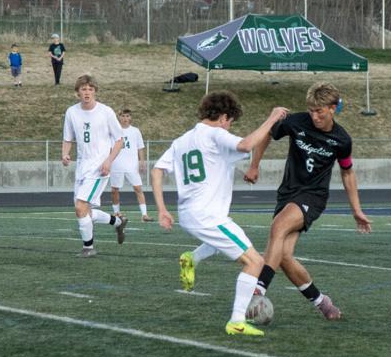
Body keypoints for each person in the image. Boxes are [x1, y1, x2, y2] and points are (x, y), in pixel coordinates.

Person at [152, 93, 289, 336]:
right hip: (208, 216)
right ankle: (236, 321)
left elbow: (157, 171)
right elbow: (246, 145)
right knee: (255, 262)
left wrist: (162, 210)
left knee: (219, 243)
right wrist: (272, 118)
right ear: (224, 117)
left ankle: (192, 258)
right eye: (231, 121)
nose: (230, 126)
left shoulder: (181, 140)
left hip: (189, 214)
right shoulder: (215, 134)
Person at [242, 82, 371, 320]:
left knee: (278, 227)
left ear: (333, 108)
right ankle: (323, 302)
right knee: (283, 256)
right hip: (287, 193)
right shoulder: (297, 122)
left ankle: (259, 289)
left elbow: (347, 172)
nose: (314, 116)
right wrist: (254, 165)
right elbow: (268, 134)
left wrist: (357, 210)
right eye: (311, 110)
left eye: (319, 111)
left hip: (313, 196)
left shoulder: (342, 140)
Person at [61, 74, 128, 257]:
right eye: (83, 89)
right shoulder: (71, 112)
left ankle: (88, 248)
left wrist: (108, 160)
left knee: (80, 207)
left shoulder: (105, 112)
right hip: (82, 167)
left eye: (91, 89)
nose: (87, 92)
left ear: (95, 92)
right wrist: (65, 154)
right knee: (85, 212)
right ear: (77, 93)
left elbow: (119, 140)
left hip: (100, 167)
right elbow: (68, 138)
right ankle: (117, 222)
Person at [110, 108, 150, 222]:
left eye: (127, 116)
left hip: (131, 165)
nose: (125, 118)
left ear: (130, 117)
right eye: (123, 116)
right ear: (119, 117)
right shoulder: (114, 131)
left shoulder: (135, 131)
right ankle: (116, 212)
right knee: (114, 190)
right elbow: (108, 147)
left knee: (138, 188)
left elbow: (140, 147)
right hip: (116, 164)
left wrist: (142, 162)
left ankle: (144, 215)